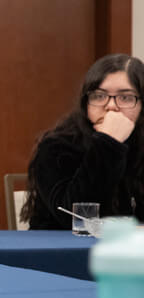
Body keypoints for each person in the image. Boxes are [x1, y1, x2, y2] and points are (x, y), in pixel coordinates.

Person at [23, 53, 144, 229]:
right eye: (99, 96)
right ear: (86, 103)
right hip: (62, 251)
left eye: (125, 97)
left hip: (130, 252)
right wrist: (109, 142)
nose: (111, 106)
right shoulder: (56, 146)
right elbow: (76, 218)